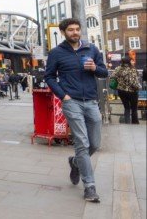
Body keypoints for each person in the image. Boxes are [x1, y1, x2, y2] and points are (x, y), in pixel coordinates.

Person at [45, 18, 108, 203]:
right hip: (71, 102)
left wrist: (95, 67)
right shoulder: (56, 53)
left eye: (77, 29)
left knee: (95, 143)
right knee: (82, 141)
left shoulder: (91, 50)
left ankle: (75, 162)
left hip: (90, 100)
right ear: (64, 32)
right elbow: (49, 76)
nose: (75, 32)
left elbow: (104, 73)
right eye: (71, 30)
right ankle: (90, 187)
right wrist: (63, 95)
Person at [113, 57, 141, 125]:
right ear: (129, 62)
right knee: (134, 108)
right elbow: (133, 82)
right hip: (132, 91)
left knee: (127, 108)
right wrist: (139, 87)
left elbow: (112, 76)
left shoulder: (118, 69)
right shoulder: (132, 69)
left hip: (121, 91)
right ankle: (135, 123)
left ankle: (127, 124)